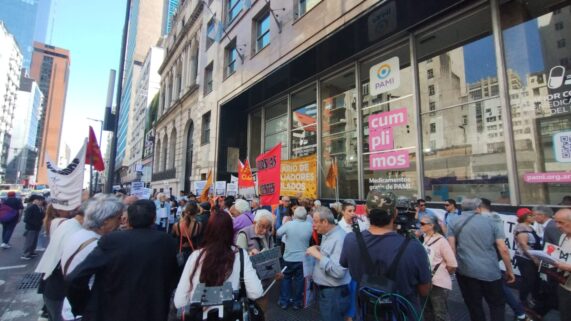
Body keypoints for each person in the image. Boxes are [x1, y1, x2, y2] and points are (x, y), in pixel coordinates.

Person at [66, 199, 179, 321]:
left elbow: (75, 277)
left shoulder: (112, 240)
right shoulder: (167, 242)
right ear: (154, 218)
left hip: (112, 311)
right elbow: (173, 278)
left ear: (128, 219)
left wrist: (85, 306)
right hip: (151, 312)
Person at [340, 190, 431, 318]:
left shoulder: (351, 240)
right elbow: (424, 290)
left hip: (367, 313)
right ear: (395, 213)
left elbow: (344, 263)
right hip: (402, 314)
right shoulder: (414, 247)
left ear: (366, 212)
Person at [173, 208, 263, 311]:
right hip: (231, 313)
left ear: (208, 230)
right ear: (231, 231)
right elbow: (256, 292)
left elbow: (180, 302)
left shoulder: (195, 256)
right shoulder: (240, 255)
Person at [447, 198, 515, 321]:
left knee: (474, 305)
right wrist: (509, 269)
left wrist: (452, 267)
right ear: (477, 208)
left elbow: (451, 248)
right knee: (497, 304)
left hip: (465, 270)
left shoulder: (453, 221)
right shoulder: (492, 221)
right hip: (490, 270)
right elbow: (503, 248)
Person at [35, 205, 84, 321]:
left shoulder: (51, 221)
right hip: (58, 267)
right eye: (66, 208)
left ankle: (45, 311)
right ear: (58, 210)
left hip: (53, 265)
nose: (70, 210)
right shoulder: (64, 222)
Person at [306, 207, 351, 321]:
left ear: (325, 222)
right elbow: (332, 255)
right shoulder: (329, 234)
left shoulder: (339, 238)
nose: (313, 225)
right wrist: (319, 249)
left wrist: (318, 255)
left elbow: (338, 272)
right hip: (329, 292)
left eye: (315, 222)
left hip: (334, 294)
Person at [61, 195, 124, 276]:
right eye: (118, 218)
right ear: (106, 220)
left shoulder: (81, 233)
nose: (121, 222)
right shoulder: (97, 244)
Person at [420, 214, 457, 321]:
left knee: (440, 313)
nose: (420, 225)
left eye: (423, 223)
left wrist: (442, 274)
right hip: (428, 281)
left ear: (431, 225)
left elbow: (452, 264)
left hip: (438, 284)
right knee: (428, 311)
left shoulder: (442, 241)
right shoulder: (426, 237)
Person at [276, 206, 313, 310]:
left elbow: (278, 234)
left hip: (288, 257)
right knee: (300, 281)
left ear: (294, 215)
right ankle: (297, 302)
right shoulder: (310, 225)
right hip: (303, 259)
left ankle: (284, 301)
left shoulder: (289, 224)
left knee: (286, 279)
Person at [514, 208, 542, 309]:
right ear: (525, 217)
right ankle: (522, 301)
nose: (534, 217)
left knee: (534, 280)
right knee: (528, 280)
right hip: (525, 259)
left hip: (531, 257)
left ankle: (535, 298)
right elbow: (523, 245)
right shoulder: (521, 228)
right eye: (531, 216)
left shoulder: (529, 227)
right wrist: (534, 258)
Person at [552, 208, 571, 320]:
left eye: (561, 222)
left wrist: (567, 267)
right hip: (564, 286)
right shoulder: (563, 237)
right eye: (556, 222)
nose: (557, 226)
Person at [21, 195, 46, 259]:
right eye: (40, 200)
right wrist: (35, 223)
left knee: (34, 241)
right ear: (35, 200)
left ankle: (31, 252)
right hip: (31, 227)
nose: (41, 202)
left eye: (42, 201)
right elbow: (26, 219)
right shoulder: (31, 207)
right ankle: (25, 254)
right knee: (29, 241)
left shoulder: (39, 207)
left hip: (36, 227)